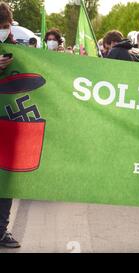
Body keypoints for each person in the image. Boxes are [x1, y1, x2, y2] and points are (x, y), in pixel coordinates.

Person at [0, 1, 21, 249]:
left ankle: (1, 229)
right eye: (1, 27)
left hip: (9, 124)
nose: (4, 31)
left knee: (6, 180)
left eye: (6, 26)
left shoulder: (15, 49)